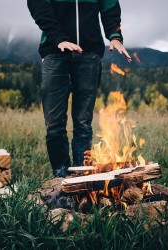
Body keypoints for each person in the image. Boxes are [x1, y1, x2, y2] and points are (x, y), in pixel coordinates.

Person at [27, 0, 131, 177]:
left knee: (83, 123)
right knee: (54, 124)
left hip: (89, 55)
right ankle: (61, 176)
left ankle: (82, 175)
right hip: (55, 53)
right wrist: (59, 38)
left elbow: (110, 6)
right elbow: (38, 5)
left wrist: (114, 35)